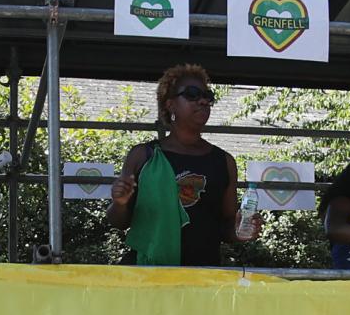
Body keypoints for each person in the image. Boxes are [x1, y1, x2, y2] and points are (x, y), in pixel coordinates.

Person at [106, 64, 260, 265]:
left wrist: (241, 230)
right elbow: (118, 222)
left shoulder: (225, 161)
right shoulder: (143, 156)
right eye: (192, 94)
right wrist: (120, 202)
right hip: (148, 277)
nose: (203, 101)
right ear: (170, 105)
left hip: (201, 279)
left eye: (208, 95)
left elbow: (226, 227)